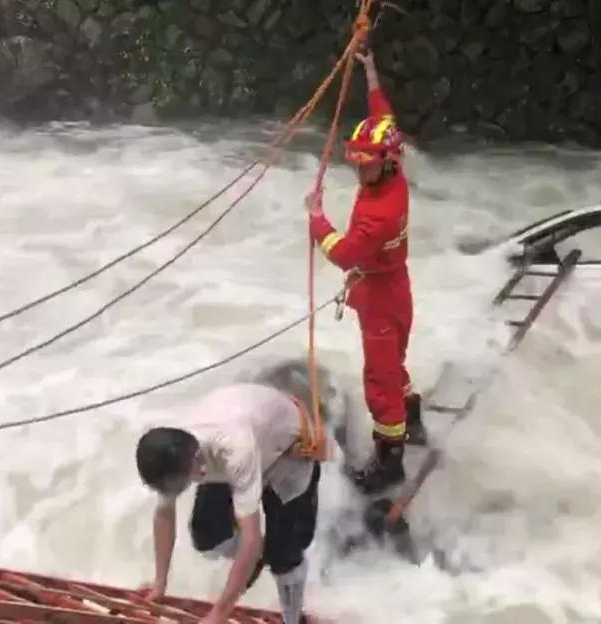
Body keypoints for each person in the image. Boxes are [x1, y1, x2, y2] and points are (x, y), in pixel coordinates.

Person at [304, 45, 426, 495]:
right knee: (393, 363)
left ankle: (389, 458)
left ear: (386, 162)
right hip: (392, 285)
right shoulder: (392, 170)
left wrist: (316, 218)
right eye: (354, 161)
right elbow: (383, 114)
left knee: (379, 380)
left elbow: (345, 253)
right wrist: (371, 70)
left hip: (379, 291)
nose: (358, 170)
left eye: (364, 163)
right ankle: (412, 415)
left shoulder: (382, 210)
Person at [134, 381, 327, 624]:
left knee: (283, 553)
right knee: (206, 535)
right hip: (240, 442)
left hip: (287, 453)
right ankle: (253, 563)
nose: (175, 491)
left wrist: (219, 614)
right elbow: (164, 514)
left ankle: (294, 619)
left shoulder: (234, 449)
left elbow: (251, 538)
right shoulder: (170, 454)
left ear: (196, 461)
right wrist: (159, 585)